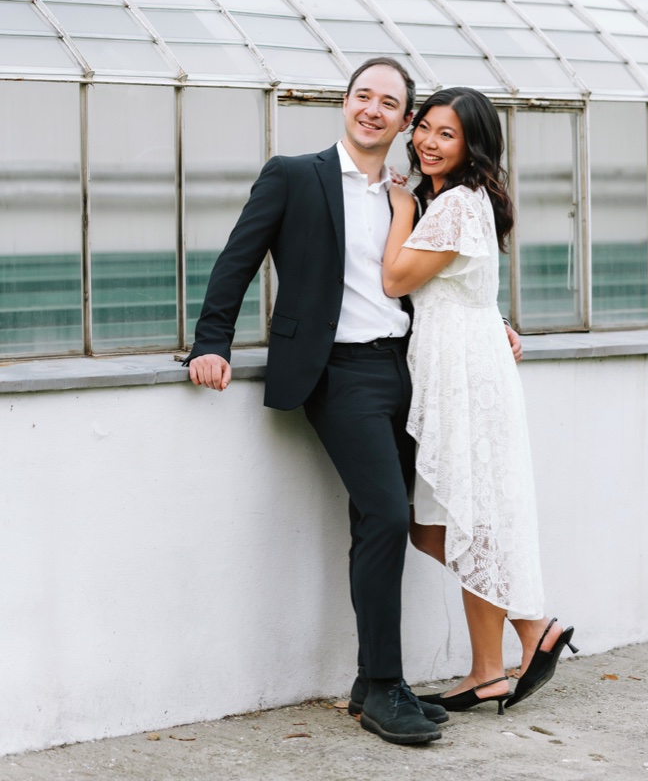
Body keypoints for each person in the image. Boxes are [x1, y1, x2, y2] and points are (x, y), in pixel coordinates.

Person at [185, 58, 521, 747]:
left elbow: (442, 278)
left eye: (389, 102)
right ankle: (386, 687)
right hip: (337, 374)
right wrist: (210, 343)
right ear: (346, 104)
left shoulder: (413, 195)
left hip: (407, 371)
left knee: (382, 521)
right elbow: (237, 258)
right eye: (363, 95)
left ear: (405, 121)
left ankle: (372, 684)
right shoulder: (293, 175)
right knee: (387, 514)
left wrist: (497, 321)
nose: (373, 109)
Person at [382, 87, 577, 715]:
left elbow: (394, 278)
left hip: (462, 372)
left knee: (458, 519)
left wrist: (399, 208)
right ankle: (494, 664)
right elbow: (469, 289)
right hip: (462, 358)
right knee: (455, 520)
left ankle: (528, 631)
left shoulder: (454, 204)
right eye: (424, 128)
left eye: (448, 135)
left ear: (472, 146)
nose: (428, 142)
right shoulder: (458, 199)